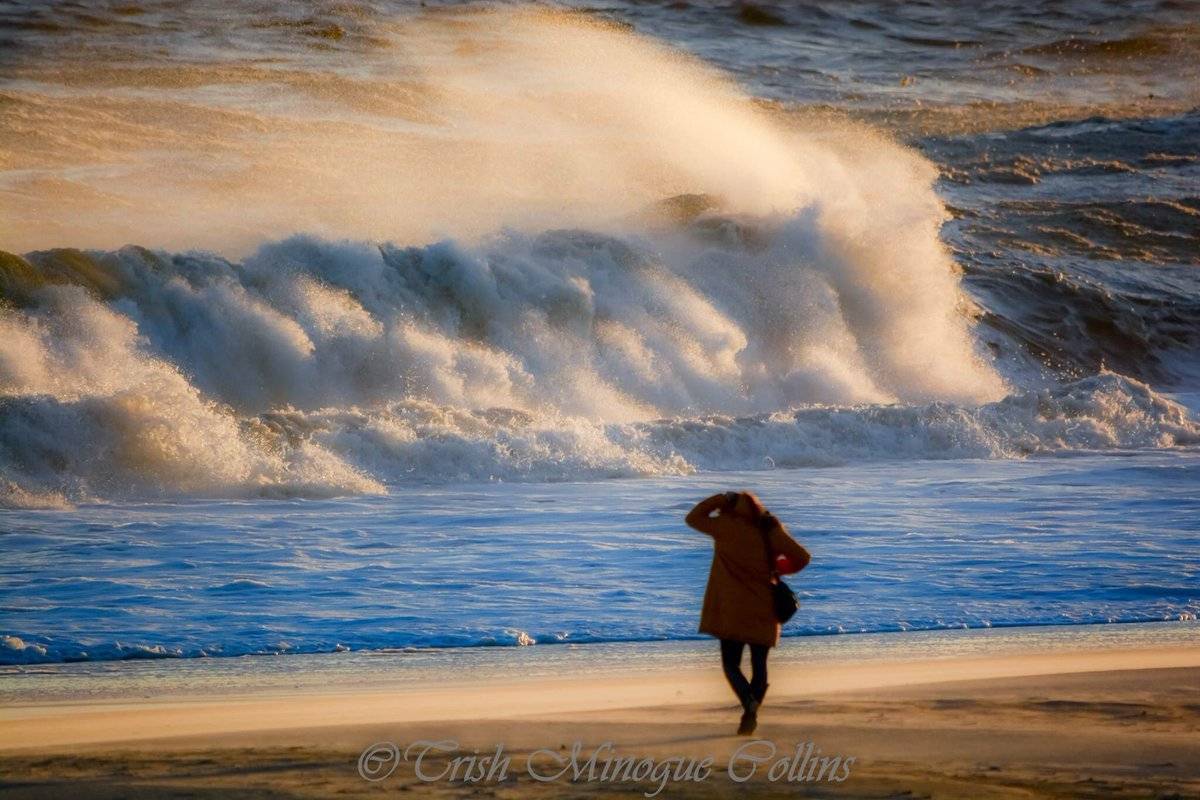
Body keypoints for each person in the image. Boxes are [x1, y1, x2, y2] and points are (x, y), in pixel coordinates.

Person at [685, 491, 811, 735]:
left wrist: (721, 499)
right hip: (763, 607)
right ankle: (750, 713)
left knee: (731, 663)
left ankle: (747, 701)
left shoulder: (724, 526)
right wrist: (778, 569)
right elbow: (802, 557)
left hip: (731, 608)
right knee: (759, 664)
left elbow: (693, 518)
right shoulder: (770, 530)